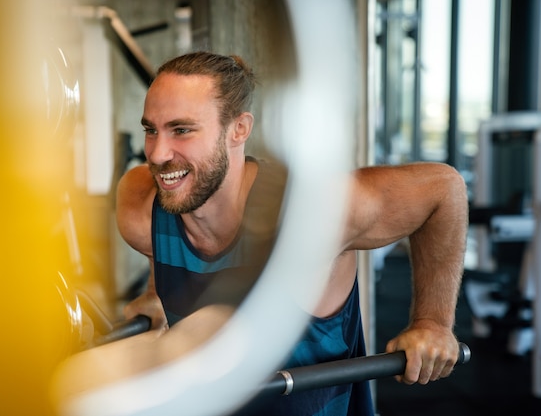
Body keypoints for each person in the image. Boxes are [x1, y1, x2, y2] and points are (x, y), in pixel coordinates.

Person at [117, 51, 468, 416]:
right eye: (150, 130)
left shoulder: (310, 212)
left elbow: (444, 190)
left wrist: (432, 322)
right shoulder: (141, 207)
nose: (157, 154)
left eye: (182, 130)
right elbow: (160, 246)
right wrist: (157, 293)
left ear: (238, 129)